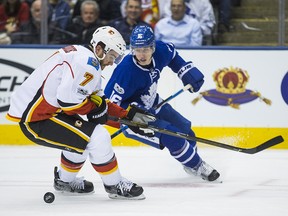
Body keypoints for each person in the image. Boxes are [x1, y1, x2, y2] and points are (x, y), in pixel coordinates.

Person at [6, 26, 155, 200]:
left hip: (44, 113)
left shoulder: (85, 59)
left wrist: (127, 115)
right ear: (99, 48)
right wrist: (103, 114)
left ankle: (64, 181)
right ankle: (114, 184)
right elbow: (69, 103)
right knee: (98, 137)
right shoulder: (88, 63)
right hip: (37, 119)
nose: (112, 62)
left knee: (81, 138)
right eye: (112, 56)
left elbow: (98, 102)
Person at [104, 25, 220, 182]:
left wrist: (186, 72)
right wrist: (130, 119)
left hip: (152, 102)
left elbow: (173, 56)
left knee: (185, 128)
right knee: (171, 134)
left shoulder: (161, 50)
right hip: (133, 116)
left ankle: (190, 162)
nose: (141, 54)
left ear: (153, 47)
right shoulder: (125, 71)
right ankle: (197, 165)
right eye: (137, 49)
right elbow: (109, 108)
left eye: (145, 49)